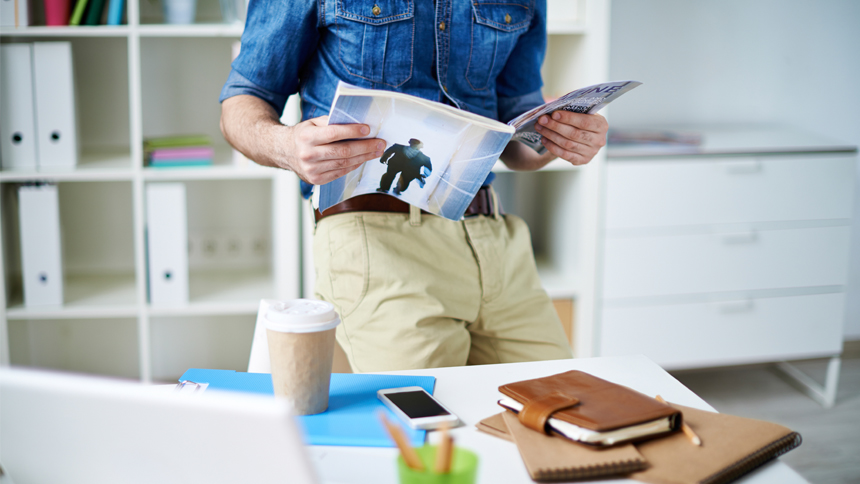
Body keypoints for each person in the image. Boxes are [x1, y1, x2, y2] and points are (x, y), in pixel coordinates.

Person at [219, 0, 609, 372]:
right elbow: (243, 100)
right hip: (377, 241)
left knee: (565, 407)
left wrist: (559, 138)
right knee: (426, 416)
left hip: (494, 239)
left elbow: (515, 132)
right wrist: (287, 147)